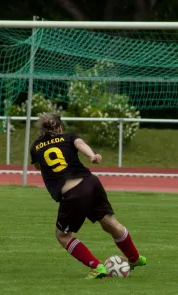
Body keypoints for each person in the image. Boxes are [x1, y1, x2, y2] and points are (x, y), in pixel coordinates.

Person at [30, 112, 147, 279]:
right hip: (91, 183)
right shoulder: (69, 137)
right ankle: (135, 258)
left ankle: (97, 267)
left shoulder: (36, 147)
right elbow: (80, 144)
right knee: (109, 222)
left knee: (62, 235)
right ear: (60, 127)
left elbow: (37, 166)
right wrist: (92, 155)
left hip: (73, 193)